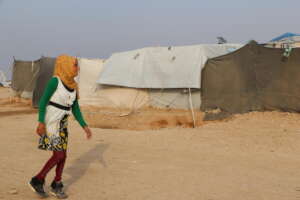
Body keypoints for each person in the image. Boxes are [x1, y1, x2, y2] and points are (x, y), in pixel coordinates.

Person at [29, 55, 92, 199]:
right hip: (51, 122)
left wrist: (84, 126)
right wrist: (40, 122)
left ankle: (57, 184)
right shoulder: (54, 82)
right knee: (59, 154)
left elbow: (75, 108)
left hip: (63, 123)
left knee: (63, 155)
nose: (78, 68)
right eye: (75, 65)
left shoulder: (74, 85)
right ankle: (38, 179)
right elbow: (43, 102)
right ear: (66, 65)